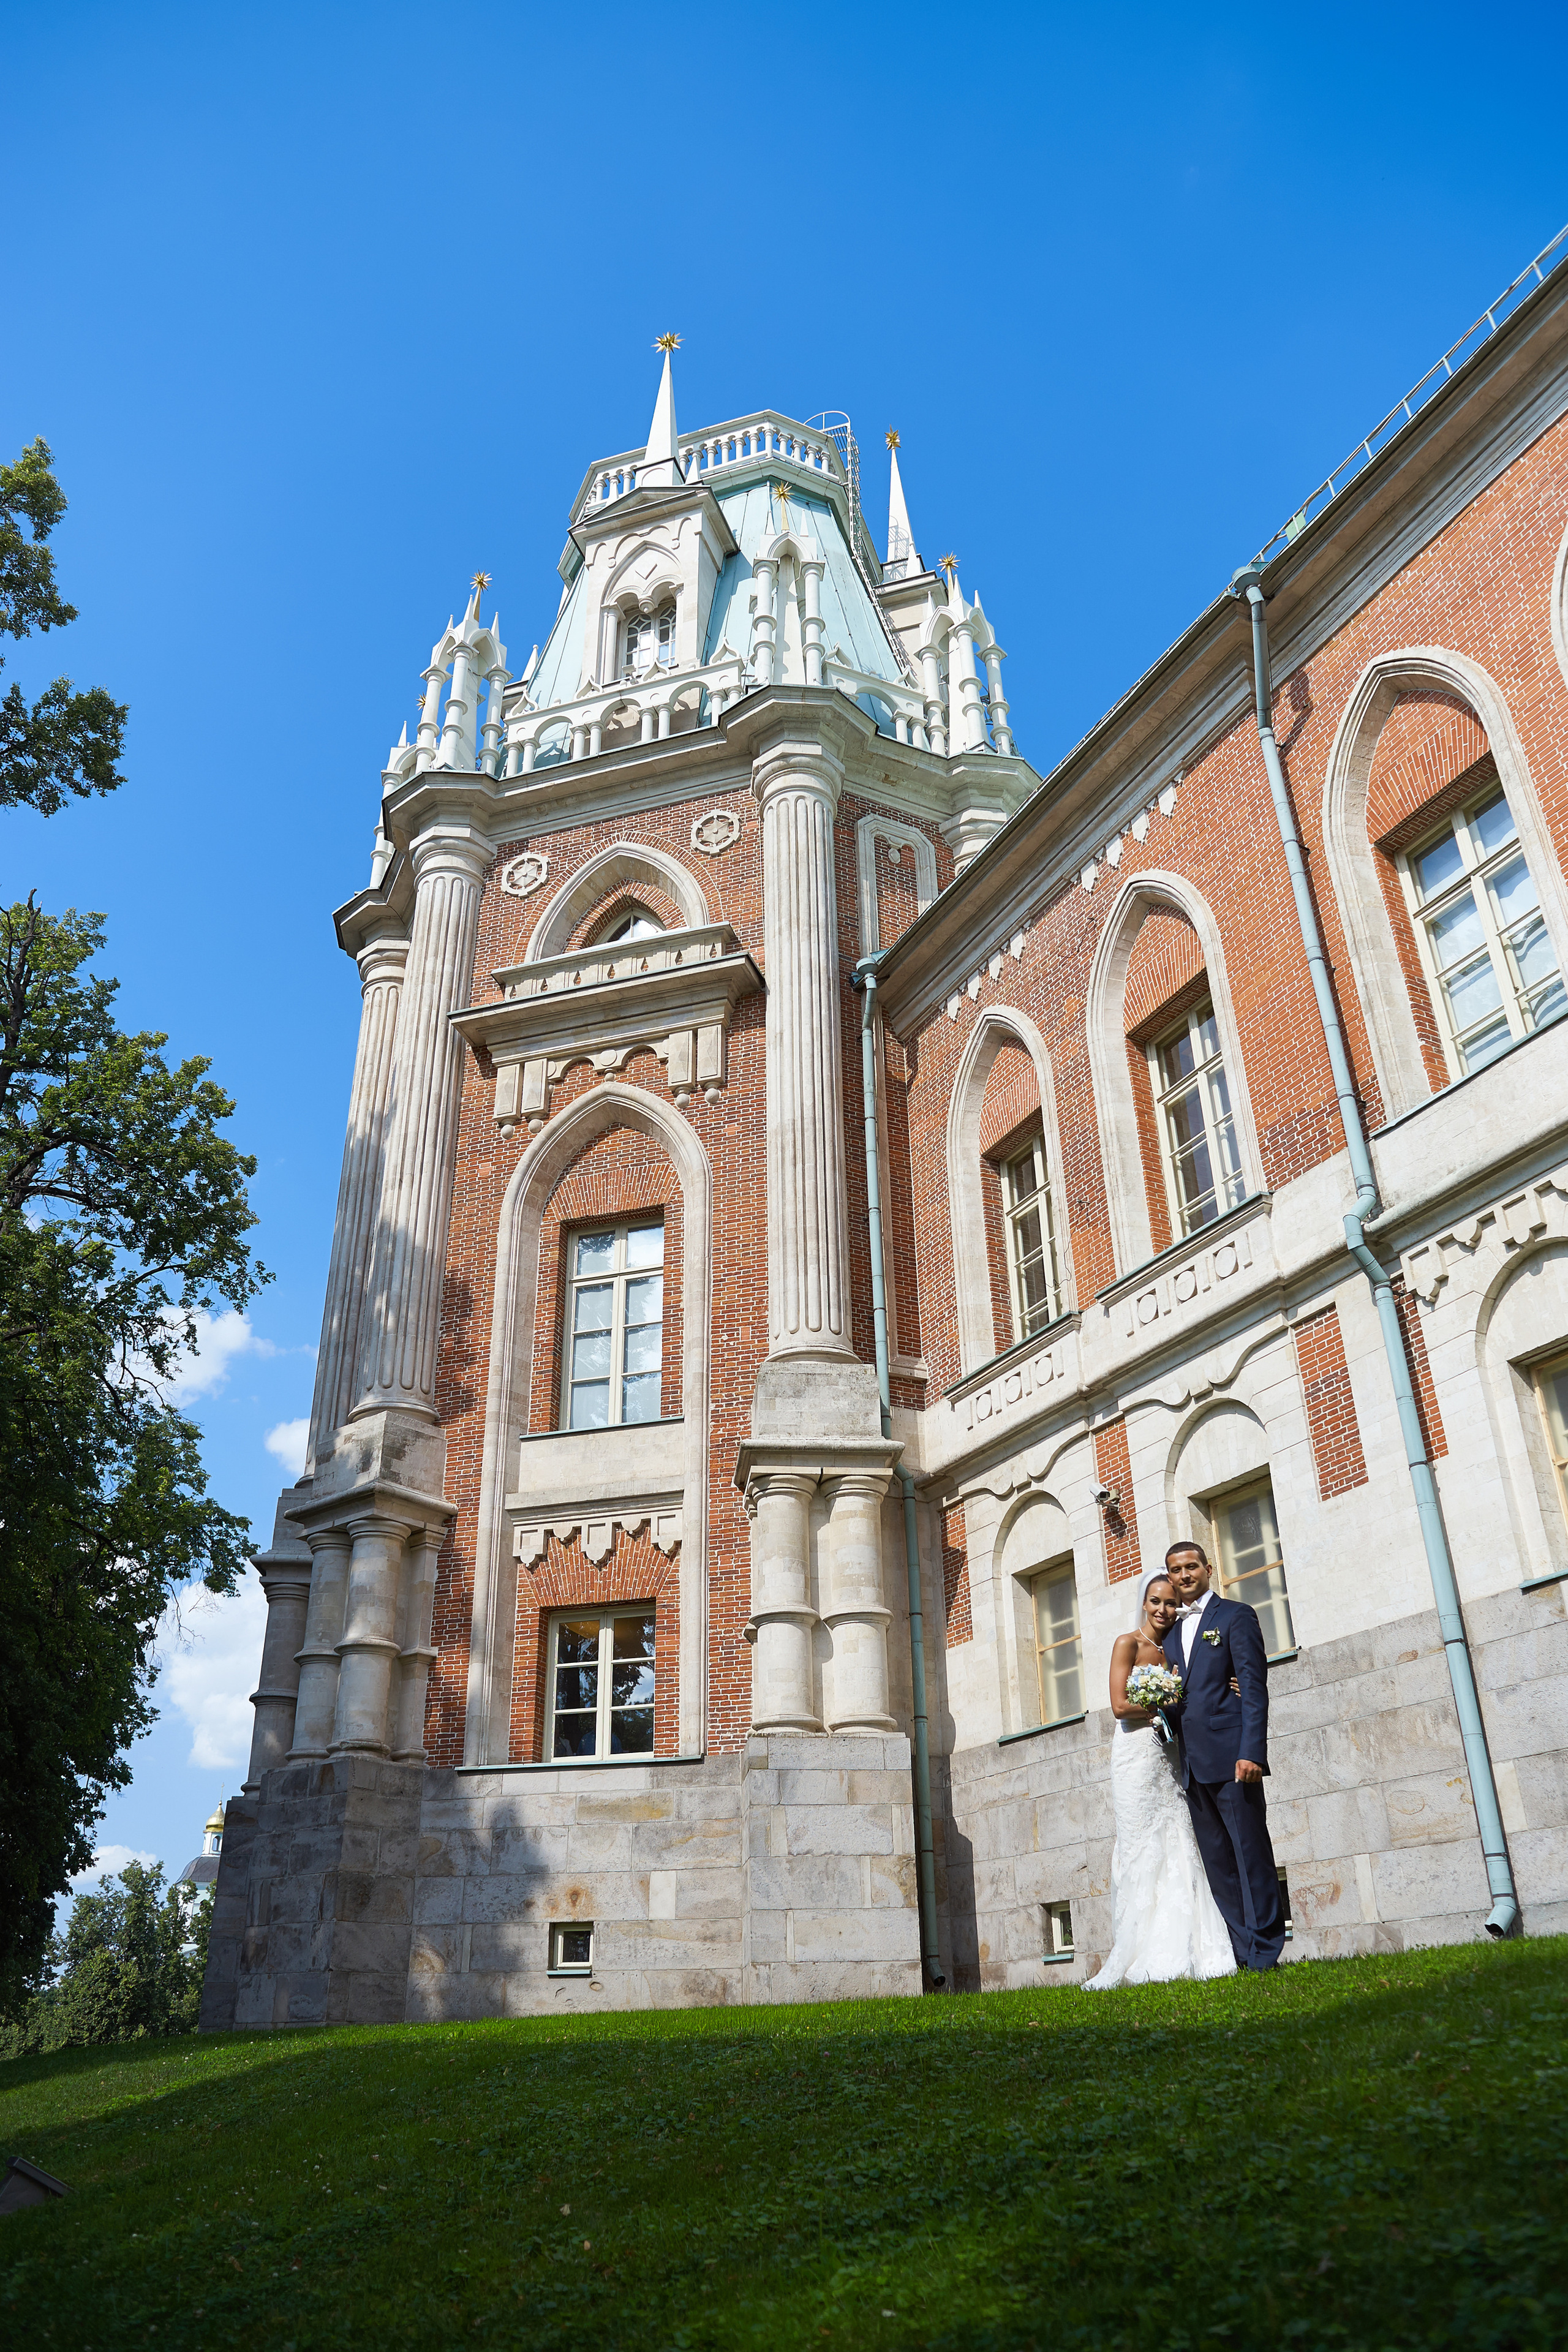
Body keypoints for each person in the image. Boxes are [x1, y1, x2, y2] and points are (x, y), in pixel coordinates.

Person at [1082, 1568, 1236, 1989]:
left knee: (1178, 1837)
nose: (1164, 1609)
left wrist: (1228, 1685)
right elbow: (1118, 1705)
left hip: (1169, 1751)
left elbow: (1203, 1684)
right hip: (1135, 1753)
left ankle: (1189, 1945)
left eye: (1172, 1602)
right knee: (1139, 1843)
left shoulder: (1176, 1649)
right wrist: (1163, 1701)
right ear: (1144, 1602)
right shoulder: (1127, 1643)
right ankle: (1135, 1947)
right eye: (1156, 1601)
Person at [1161, 1540, 1287, 1972]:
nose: (1184, 1575)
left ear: (1208, 1568)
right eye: (1176, 1570)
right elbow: (1181, 1697)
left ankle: (1267, 1951)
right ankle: (1242, 1951)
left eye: (1191, 1566)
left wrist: (1252, 1751)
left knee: (1251, 1856)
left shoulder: (1236, 1616)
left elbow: (1253, 1688)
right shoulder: (1172, 1634)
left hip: (1235, 1760)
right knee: (1219, 1866)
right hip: (1194, 1766)